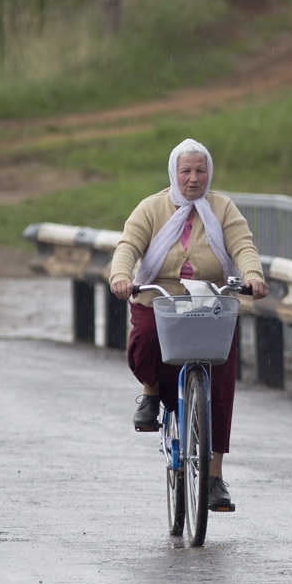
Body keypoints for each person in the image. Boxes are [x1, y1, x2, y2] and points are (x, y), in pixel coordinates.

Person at [109, 138, 269, 512]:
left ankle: (213, 477)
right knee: (147, 337)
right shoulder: (151, 207)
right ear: (173, 173)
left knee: (223, 378)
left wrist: (253, 275)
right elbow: (128, 247)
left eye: (200, 170)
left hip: (211, 301)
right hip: (159, 298)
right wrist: (121, 276)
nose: (194, 178)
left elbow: (243, 246)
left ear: (209, 173)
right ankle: (151, 394)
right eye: (186, 171)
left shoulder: (222, 208)